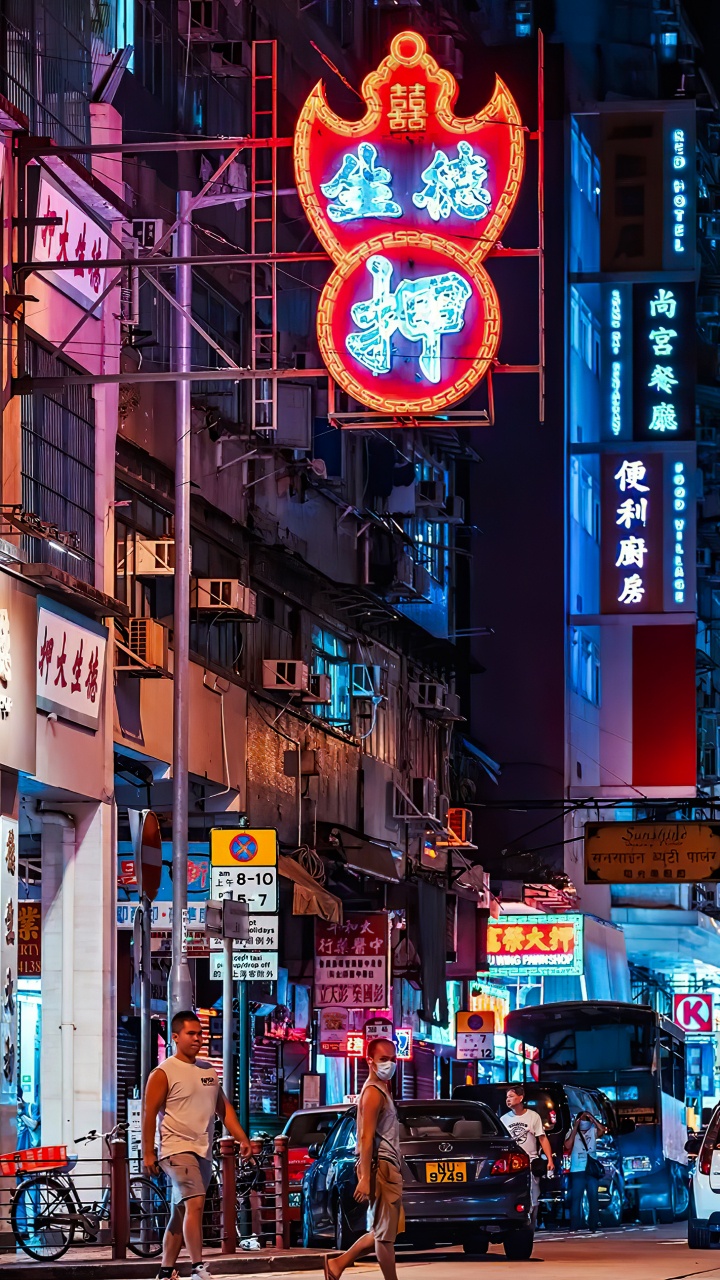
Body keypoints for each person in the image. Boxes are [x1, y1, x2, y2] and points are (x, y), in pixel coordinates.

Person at [142, 1009, 252, 1280]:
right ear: (176, 1037)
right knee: (196, 1203)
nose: (197, 1038)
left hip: (202, 1149)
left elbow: (224, 1110)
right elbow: (148, 1113)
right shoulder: (163, 1072)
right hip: (176, 1150)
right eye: (191, 1034)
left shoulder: (208, 1070)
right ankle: (197, 1267)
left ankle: (165, 1270)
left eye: (200, 1033)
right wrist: (147, 1152)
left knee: (181, 1213)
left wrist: (243, 1139)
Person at [325, 1037, 403, 1280]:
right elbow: (366, 1137)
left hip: (385, 1167)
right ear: (369, 1061)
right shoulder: (373, 1094)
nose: (389, 1064)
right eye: (383, 1060)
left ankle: (338, 1264)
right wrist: (366, 1178)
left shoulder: (380, 1090)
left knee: (383, 1231)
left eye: (392, 1059)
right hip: (381, 1168)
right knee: (384, 1236)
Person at [500, 1085, 554, 1227]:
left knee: (533, 1197)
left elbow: (542, 1138)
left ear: (521, 1097)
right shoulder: (503, 1119)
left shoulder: (533, 1117)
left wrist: (549, 1159)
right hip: (512, 1164)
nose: (508, 1100)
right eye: (507, 1097)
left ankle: (531, 1226)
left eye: (511, 1096)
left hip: (530, 1162)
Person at [564, 1109, 606, 1232]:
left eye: (586, 1119)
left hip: (591, 1169)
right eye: (582, 1119)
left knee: (593, 1197)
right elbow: (567, 1145)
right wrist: (575, 1127)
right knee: (576, 1197)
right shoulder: (572, 1133)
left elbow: (602, 1130)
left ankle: (593, 1224)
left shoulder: (593, 1131)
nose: (584, 1121)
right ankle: (574, 1224)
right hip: (577, 1169)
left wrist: (593, 1119)